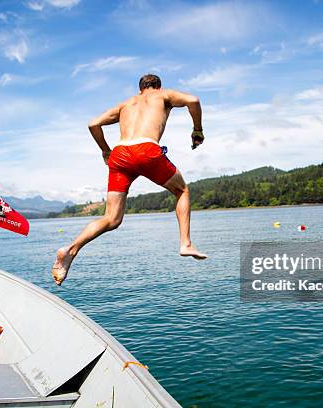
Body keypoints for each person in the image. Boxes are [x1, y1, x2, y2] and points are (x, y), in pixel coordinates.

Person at [51, 74, 208, 286]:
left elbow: (93, 124)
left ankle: (70, 250)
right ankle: (185, 244)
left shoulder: (125, 105)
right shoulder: (164, 95)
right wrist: (197, 130)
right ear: (157, 86)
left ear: (140, 88)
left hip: (120, 154)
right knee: (182, 191)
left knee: (111, 219)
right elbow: (194, 100)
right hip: (146, 150)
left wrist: (105, 151)